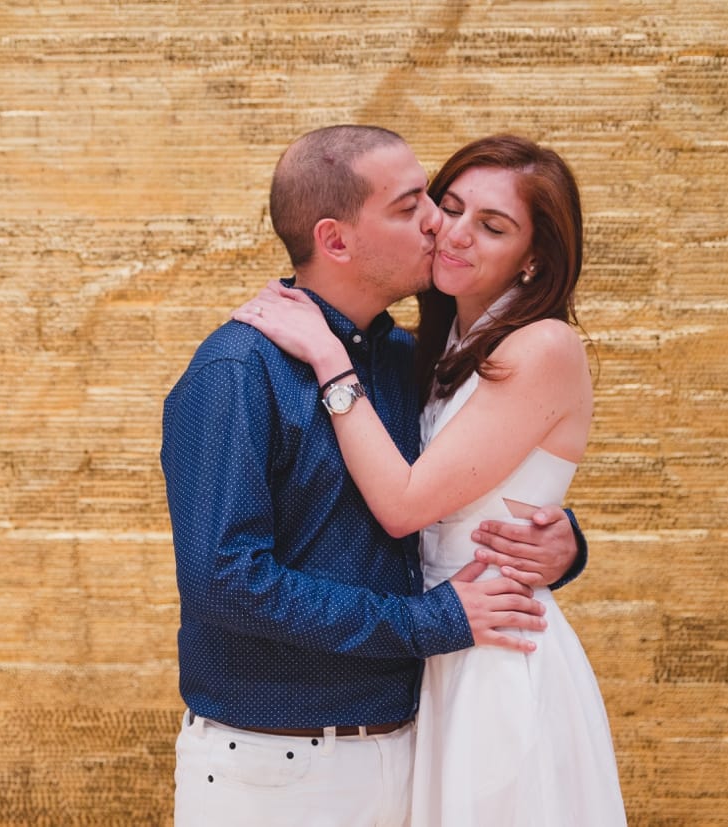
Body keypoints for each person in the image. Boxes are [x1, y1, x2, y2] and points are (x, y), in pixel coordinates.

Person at [160, 125, 589, 826]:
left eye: (439, 203)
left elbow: (460, 489)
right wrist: (425, 622)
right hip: (272, 768)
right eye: (416, 205)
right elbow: (224, 582)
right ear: (335, 240)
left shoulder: (400, 360)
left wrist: (557, 538)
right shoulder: (238, 369)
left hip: (409, 745)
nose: (438, 225)